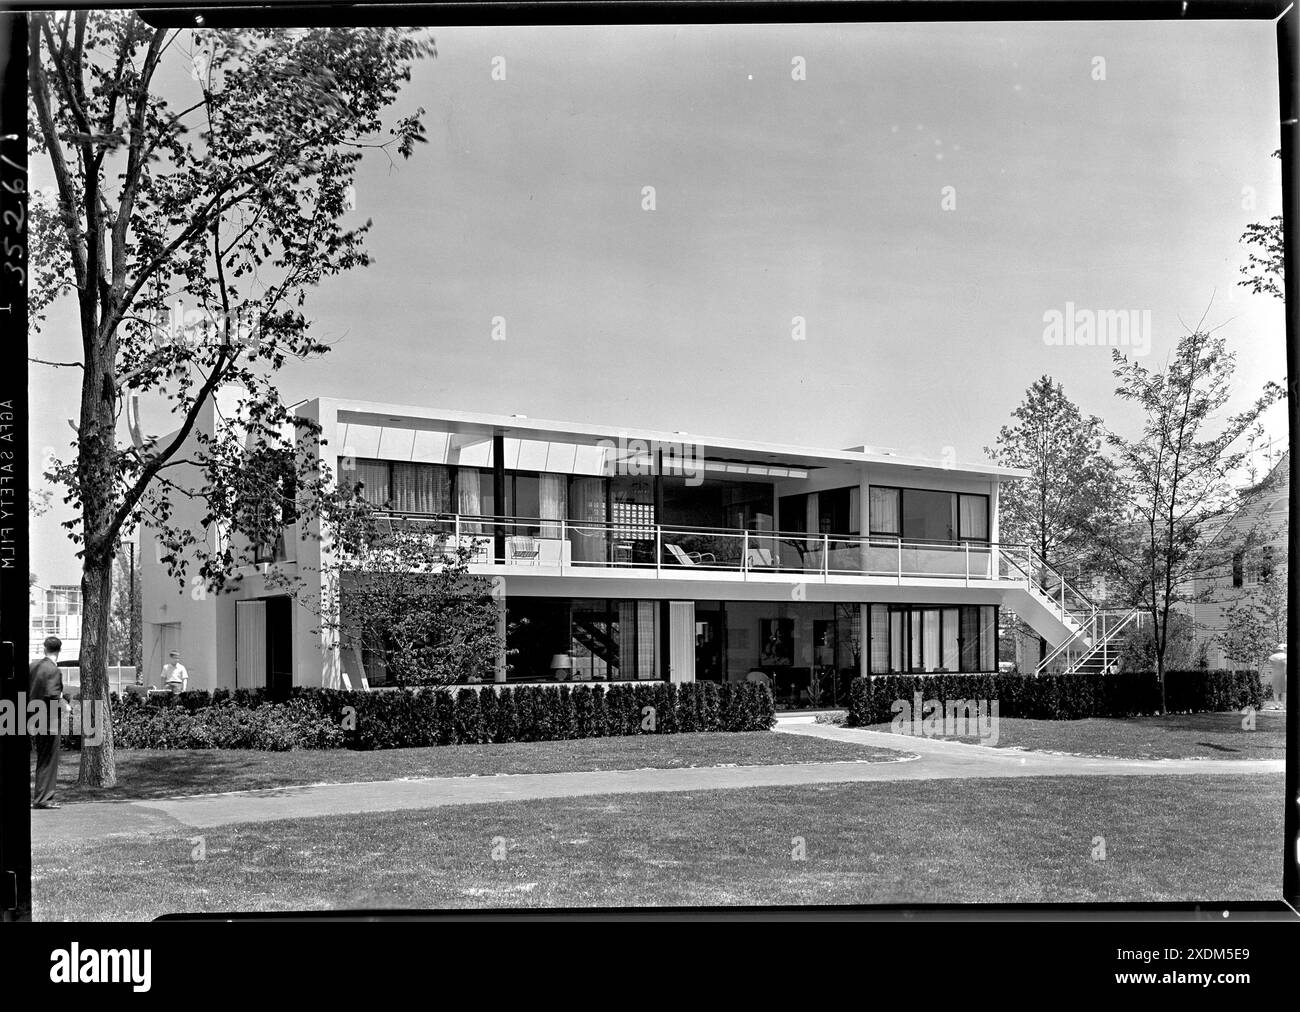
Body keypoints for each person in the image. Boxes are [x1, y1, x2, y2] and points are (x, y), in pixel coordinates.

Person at [29, 636, 67, 810]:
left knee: (41, 758)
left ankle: (40, 797)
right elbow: (53, 695)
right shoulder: (54, 670)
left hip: (32, 716)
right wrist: (65, 706)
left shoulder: (33, 666)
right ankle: (44, 798)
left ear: (45, 648)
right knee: (49, 758)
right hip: (49, 719)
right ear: (59, 650)